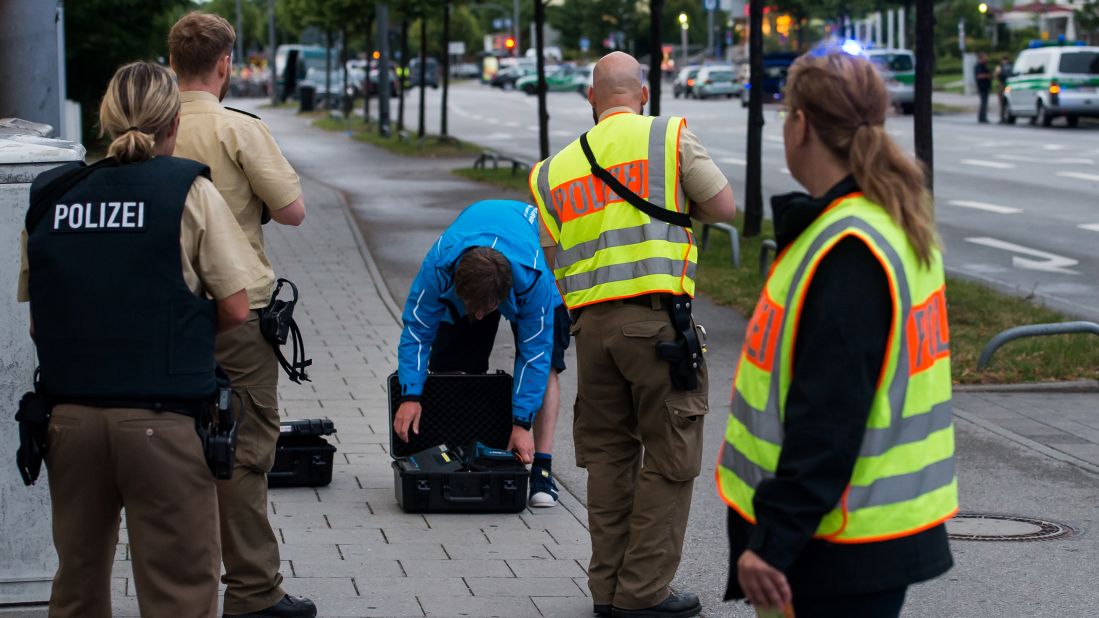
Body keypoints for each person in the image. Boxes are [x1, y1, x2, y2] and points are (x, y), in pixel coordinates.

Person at [717, 51, 957, 618]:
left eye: (784, 117)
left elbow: (829, 415)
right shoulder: (888, 224)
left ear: (801, 124)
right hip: (859, 536)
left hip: (828, 546)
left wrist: (773, 543)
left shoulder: (849, 248)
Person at [18, 61, 263, 617]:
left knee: (76, 587)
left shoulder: (50, 195)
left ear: (105, 120)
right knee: (178, 589)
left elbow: (41, 320)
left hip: (69, 422)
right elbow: (234, 307)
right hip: (164, 422)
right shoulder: (188, 192)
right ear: (173, 123)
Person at [529, 51, 736, 618]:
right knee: (671, 455)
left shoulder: (552, 171)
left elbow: (554, 256)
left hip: (591, 332)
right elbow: (723, 206)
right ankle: (643, 595)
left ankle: (607, 590)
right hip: (657, 327)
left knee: (608, 460)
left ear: (591, 101)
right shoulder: (667, 139)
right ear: (643, 95)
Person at [168, 12, 313, 618]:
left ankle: (183, 586)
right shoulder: (240, 129)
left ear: (171, 61)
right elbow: (293, 212)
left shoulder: (148, 129)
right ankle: (253, 591)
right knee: (246, 447)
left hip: (168, 315)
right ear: (226, 63)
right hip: (239, 312)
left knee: (173, 449)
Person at [394, 199, 568, 507]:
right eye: (471, 308)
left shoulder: (534, 280)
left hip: (529, 248)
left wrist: (521, 424)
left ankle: (542, 466)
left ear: (503, 298)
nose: (477, 317)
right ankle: (458, 454)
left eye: (484, 310)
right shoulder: (437, 267)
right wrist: (410, 395)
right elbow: (417, 332)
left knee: (548, 364)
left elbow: (533, 356)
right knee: (454, 365)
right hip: (473, 243)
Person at [976, 52, 993, 124]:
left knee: (985, 103)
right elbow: (979, 76)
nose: (986, 58)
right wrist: (987, 75)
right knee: (983, 103)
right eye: (985, 57)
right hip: (982, 87)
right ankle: (982, 118)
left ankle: (983, 117)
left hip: (986, 87)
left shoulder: (984, 65)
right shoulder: (979, 66)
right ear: (981, 58)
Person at [995, 56, 1012, 123]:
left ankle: (1006, 116)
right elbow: (996, 76)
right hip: (1002, 85)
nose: (1005, 62)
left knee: (1006, 99)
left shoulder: (1007, 67)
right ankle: (1002, 117)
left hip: (1007, 85)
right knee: (1002, 101)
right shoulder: (999, 67)